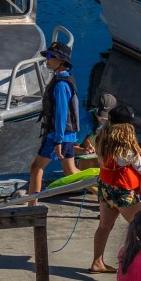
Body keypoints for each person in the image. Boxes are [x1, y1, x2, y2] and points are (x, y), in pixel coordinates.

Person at [89, 122, 141, 274]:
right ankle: (135, 268)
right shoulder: (125, 149)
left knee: (104, 226)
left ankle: (97, 263)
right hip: (122, 191)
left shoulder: (102, 142)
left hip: (106, 188)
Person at [28, 41, 79, 204]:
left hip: (58, 136)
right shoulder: (64, 79)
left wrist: (58, 141)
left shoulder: (60, 85)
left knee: (36, 168)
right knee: (71, 172)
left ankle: (31, 208)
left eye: (51, 56)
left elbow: (61, 115)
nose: (47, 59)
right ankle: (105, 194)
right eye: (47, 55)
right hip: (67, 135)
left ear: (62, 61)